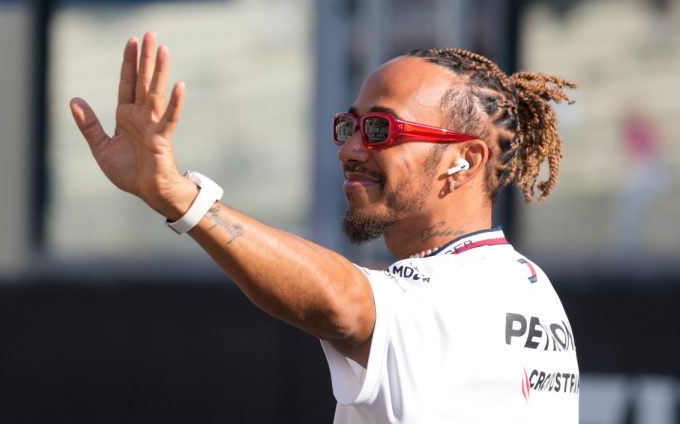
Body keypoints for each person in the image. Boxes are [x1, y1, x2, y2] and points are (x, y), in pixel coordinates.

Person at [70, 32, 579, 423]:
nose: (350, 149)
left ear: (465, 161)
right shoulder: (524, 285)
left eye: (381, 129)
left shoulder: (464, 290)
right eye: (349, 126)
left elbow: (343, 303)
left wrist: (183, 198)